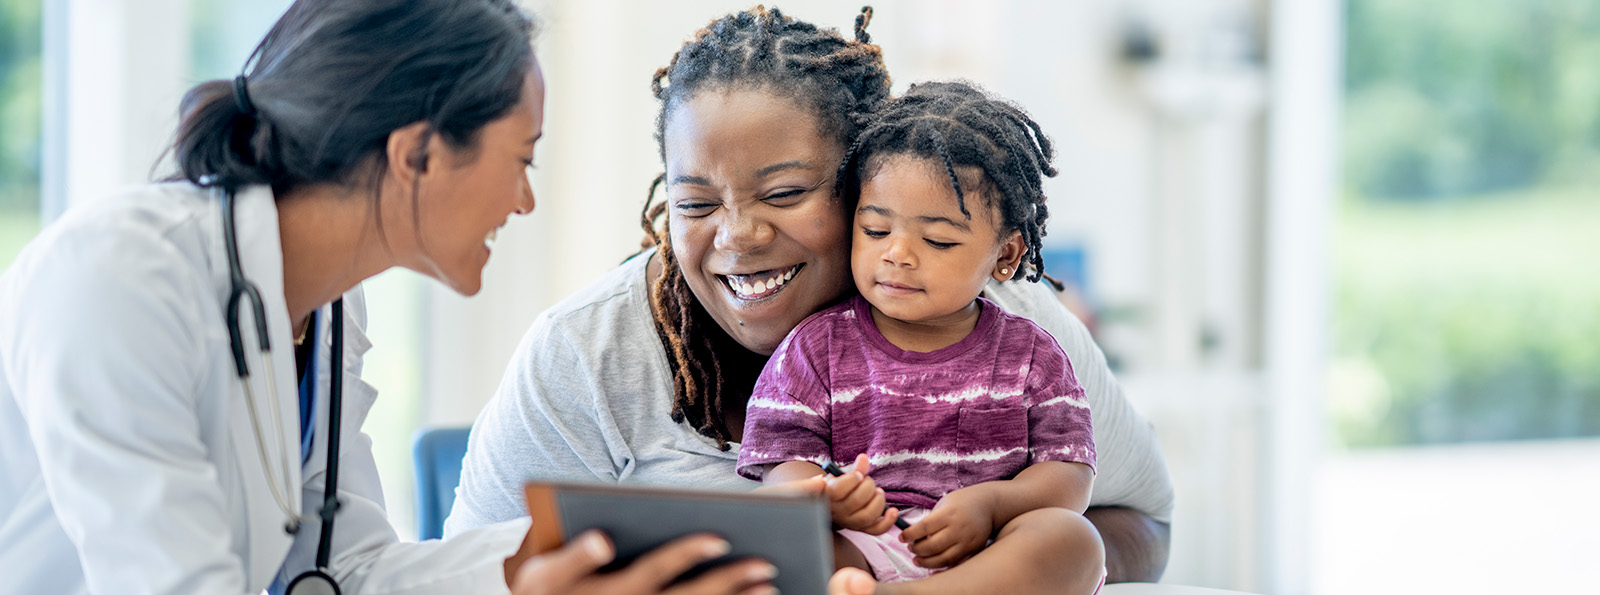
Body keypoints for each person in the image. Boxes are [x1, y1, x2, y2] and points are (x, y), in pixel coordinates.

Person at [0, 1, 819, 594]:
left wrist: (550, 561)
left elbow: (344, 570)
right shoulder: (114, 278)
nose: (524, 201)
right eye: (521, 158)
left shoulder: (324, 306)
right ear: (419, 155)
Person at [446, 5, 1176, 586]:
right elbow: (468, 574)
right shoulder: (583, 351)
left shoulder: (1006, 322)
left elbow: (1144, 528)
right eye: (695, 203)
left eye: (787, 192)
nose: (736, 235)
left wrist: (991, 536)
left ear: (870, 179)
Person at [736, 80, 1105, 594]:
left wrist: (993, 504)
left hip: (990, 553)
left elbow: (1069, 476)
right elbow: (781, 466)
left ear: (1006, 255)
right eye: (876, 231)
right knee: (769, 543)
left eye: (938, 240)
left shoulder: (1031, 356)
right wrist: (825, 496)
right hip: (861, 547)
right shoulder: (813, 348)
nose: (899, 255)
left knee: (1074, 539)